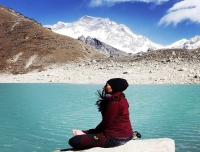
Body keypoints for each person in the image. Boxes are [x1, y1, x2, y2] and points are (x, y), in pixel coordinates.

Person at [68, 78, 133, 149]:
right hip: (126, 134)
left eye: (107, 85)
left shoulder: (114, 102)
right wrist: (87, 132)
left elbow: (106, 124)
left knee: (74, 140)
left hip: (115, 137)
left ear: (114, 87)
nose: (103, 87)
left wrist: (87, 132)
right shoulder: (121, 98)